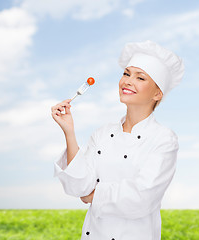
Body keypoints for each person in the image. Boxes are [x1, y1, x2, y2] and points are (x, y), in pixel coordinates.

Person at [51, 40, 184, 240]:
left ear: (157, 93)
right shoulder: (102, 134)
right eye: (126, 74)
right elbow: (78, 187)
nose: (128, 81)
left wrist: (94, 196)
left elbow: (142, 197)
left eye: (140, 78)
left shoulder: (164, 139)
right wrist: (69, 132)